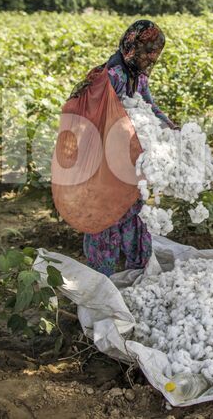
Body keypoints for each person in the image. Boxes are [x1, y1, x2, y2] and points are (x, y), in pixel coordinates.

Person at [68, 19, 175, 276]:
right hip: (102, 164)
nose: (152, 59)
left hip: (125, 163)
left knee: (132, 216)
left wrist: (169, 127)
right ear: (132, 46)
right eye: (148, 52)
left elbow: (147, 106)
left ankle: (137, 271)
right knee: (105, 223)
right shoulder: (110, 76)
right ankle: (100, 283)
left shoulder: (137, 76)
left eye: (155, 54)